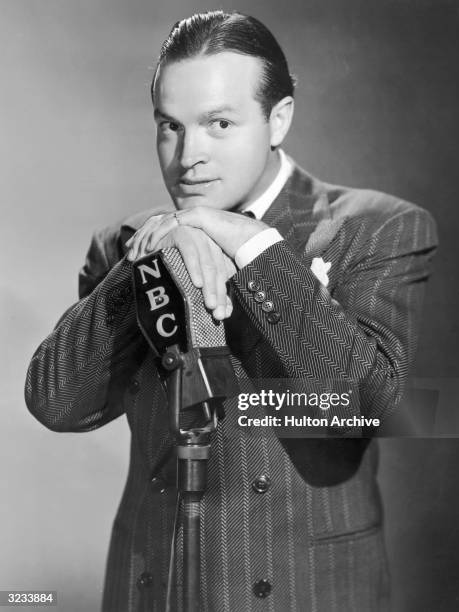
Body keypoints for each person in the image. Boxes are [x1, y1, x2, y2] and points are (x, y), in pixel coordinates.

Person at [25, 10, 438, 612]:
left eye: (219, 123)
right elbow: (57, 404)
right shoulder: (125, 243)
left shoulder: (375, 228)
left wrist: (253, 250)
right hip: (155, 587)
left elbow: (370, 409)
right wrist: (152, 255)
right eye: (170, 127)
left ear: (279, 119)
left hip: (303, 587)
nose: (188, 155)